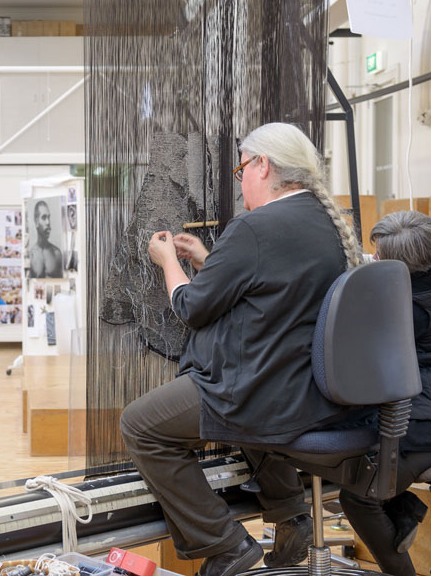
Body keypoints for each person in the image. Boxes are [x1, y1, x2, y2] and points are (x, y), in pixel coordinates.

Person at [120, 122, 366, 576]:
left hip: (263, 393)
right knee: (237, 410)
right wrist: (209, 260)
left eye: (241, 169)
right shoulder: (327, 222)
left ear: (263, 165)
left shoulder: (254, 227)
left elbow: (192, 307)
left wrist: (169, 263)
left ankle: (225, 545)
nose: (241, 181)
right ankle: (293, 518)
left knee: (140, 424)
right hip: (309, 393)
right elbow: (267, 290)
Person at [338, 211, 431, 576]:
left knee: (358, 494)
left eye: (381, 256)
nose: (374, 259)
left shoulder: (417, 311)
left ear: (405, 268)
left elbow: (365, 347)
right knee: (349, 451)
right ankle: (403, 506)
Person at [28, 199, 63, 278]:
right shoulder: (30, 255)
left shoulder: (56, 253)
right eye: (44, 218)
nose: (48, 222)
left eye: (48, 217)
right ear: (36, 222)